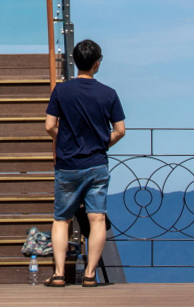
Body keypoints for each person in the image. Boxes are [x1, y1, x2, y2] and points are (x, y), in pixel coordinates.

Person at [43, 39, 125, 288]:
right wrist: (101, 145)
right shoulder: (109, 94)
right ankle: (90, 273)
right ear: (97, 63)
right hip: (97, 163)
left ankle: (58, 274)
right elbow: (120, 130)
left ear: (75, 61)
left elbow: (49, 125)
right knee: (97, 218)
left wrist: (65, 141)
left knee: (61, 218)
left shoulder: (61, 91)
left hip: (68, 164)